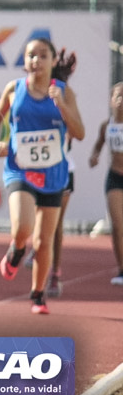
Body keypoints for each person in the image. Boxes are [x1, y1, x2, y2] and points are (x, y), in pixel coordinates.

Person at [0, 37, 84, 314]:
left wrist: (62, 106)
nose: (36, 61)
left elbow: (79, 132)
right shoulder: (14, 89)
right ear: (24, 61)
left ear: (54, 61)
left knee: (44, 241)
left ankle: (38, 294)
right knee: (23, 229)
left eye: (42, 56)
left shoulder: (64, 93)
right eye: (31, 55)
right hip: (20, 168)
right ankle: (17, 249)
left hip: (53, 172)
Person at [23, 48, 77, 297]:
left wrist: (62, 107)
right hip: (35, 171)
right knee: (33, 218)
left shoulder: (62, 98)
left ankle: (54, 273)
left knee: (55, 226)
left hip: (61, 171)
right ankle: (35, 246)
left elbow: (76, 132)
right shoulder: (32, 100)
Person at [88, 81, 123, 286]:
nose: (121, 100)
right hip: (115, 177)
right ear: (111, 100)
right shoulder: (107, 126)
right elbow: (98, 146)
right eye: (118, 96)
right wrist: (94, 157)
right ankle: (121, 269)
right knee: (118, 225)